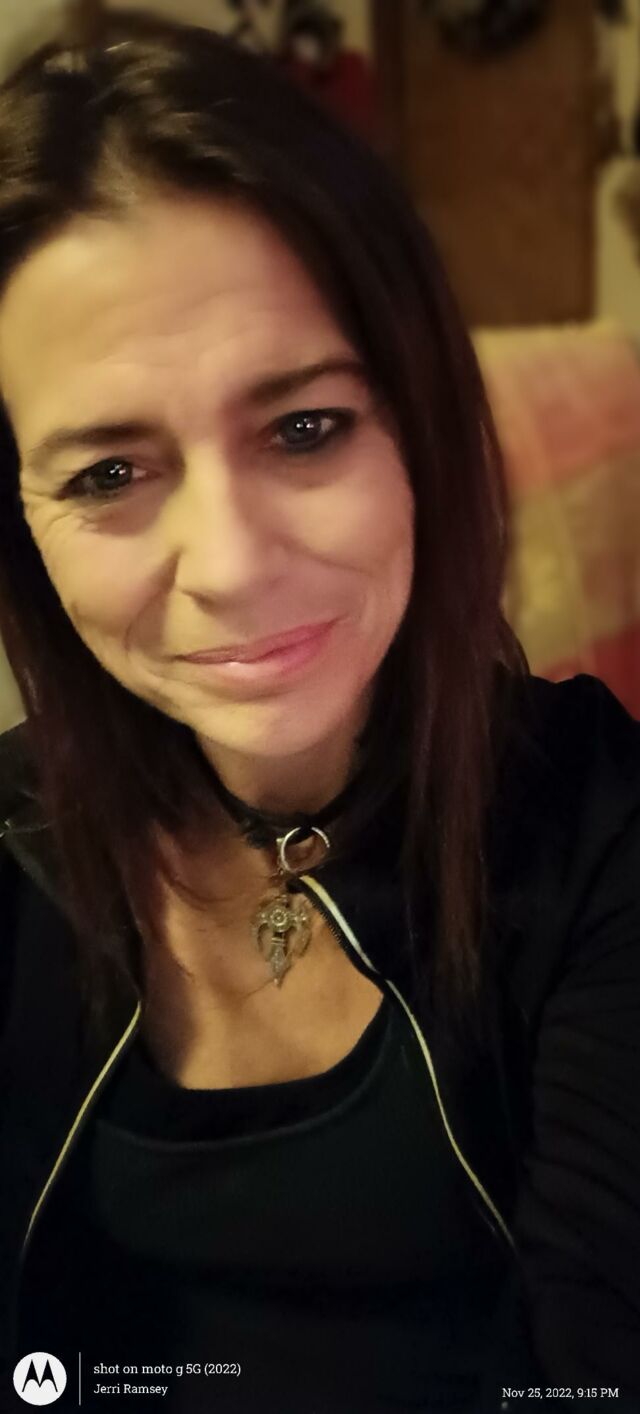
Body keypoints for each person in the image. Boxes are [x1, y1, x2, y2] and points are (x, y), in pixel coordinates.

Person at [0, 10, 638, 1414]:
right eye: (109, 473)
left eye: (306, 428)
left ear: (419, 428)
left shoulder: (601, 834)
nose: (231, 568)